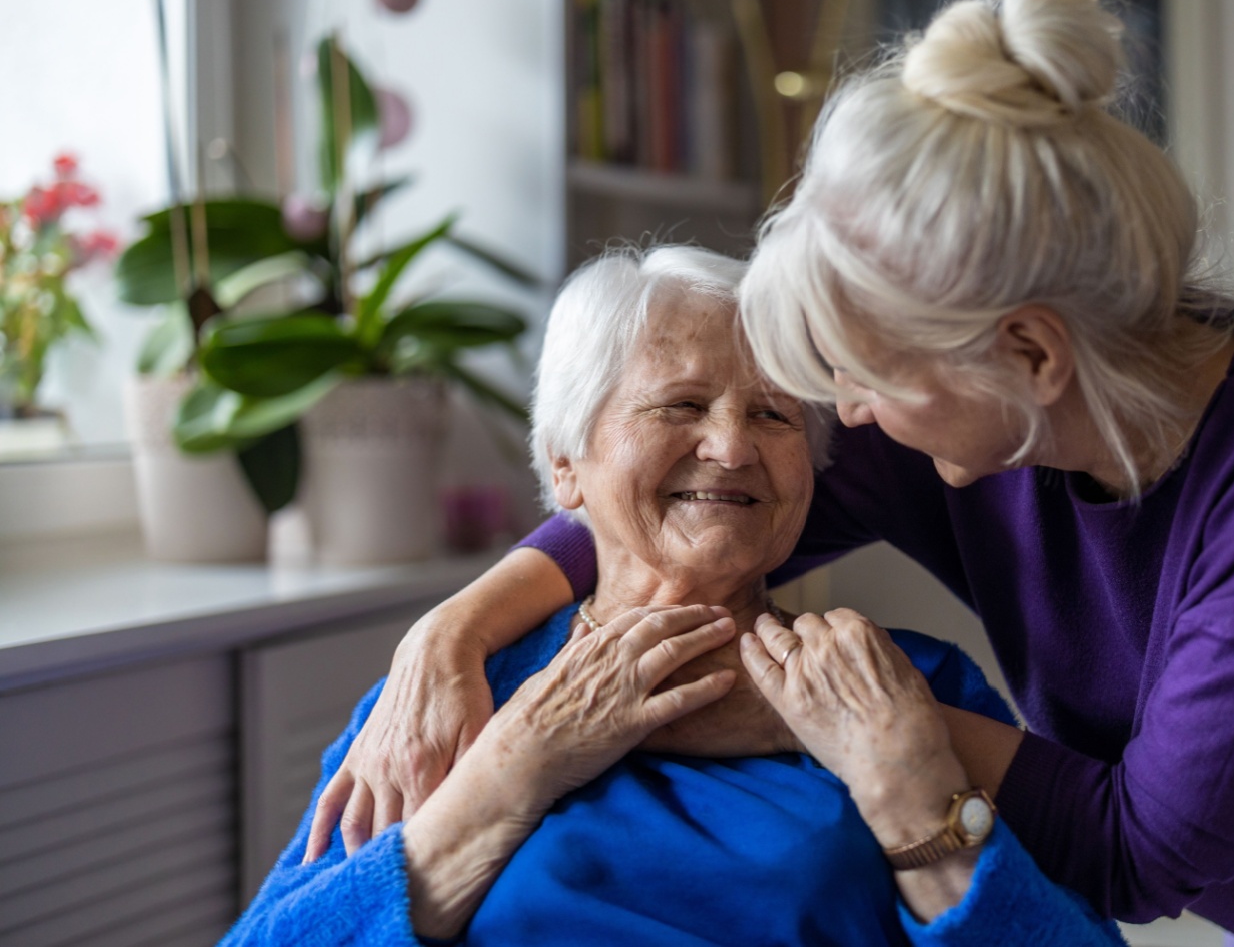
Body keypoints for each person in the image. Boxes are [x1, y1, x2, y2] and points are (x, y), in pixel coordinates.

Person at [314, 0, 1234, 945]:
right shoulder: (972, 431)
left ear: (1030, 357)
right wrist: (455, 630)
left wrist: (858, 743)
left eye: (855, 382)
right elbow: (698, 500)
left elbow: (1136, 849)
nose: (835, 424)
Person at [228, 246, 1125, 946]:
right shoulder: (456, 695)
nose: (733, 447)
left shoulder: (896, 686)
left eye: (774, 415)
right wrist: (510, 774)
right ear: (565, 467)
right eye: (680, 405)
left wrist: (909, 793)